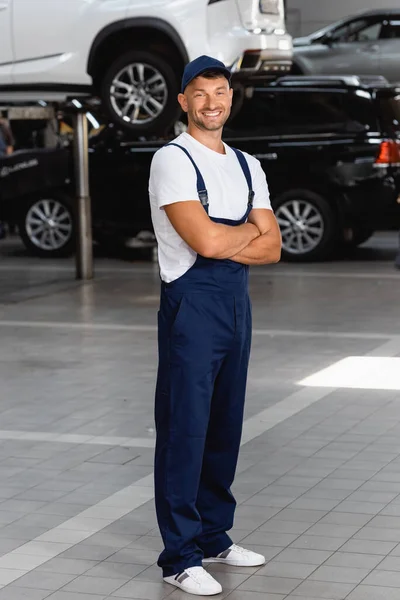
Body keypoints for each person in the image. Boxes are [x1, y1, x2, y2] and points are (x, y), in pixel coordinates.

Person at [149, 55, 282, 596]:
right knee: (185, 430)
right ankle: (179, 555)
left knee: (224, 427)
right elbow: (203, 243)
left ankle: (213, 537)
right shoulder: (172, 160)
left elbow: (274, 248)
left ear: (231, 97)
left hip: (235, 309)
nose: (211, 103)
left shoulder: (249, 165)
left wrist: (233, 240)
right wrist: (243, 235)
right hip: (192, 311)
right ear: (183, 101)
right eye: (200, 94)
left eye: (220, 92)